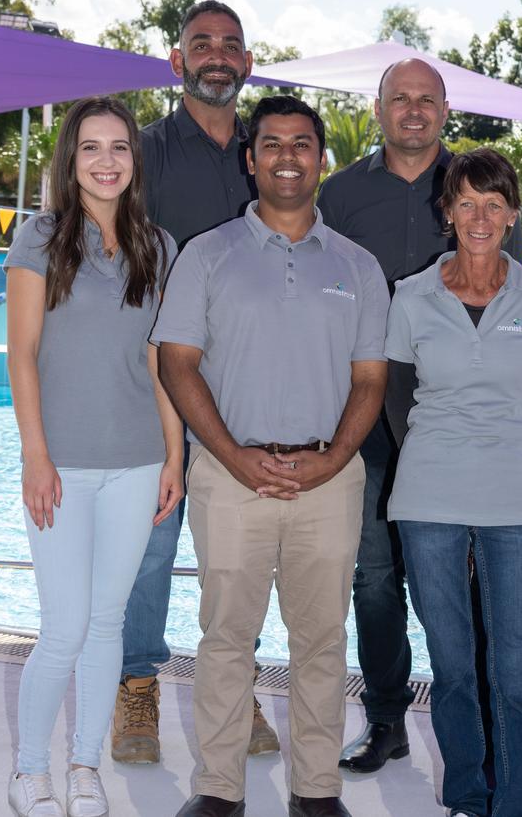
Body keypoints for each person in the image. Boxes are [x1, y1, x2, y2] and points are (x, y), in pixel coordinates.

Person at [152, 95, 390, 817]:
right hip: (230, 478)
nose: (288, 155)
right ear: (250, 159)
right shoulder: (208, 254)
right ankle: (219, 789)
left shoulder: (359, 266)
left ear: (322, 158)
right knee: (226, 637)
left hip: (329, 478)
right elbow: (177, 363)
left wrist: (332, 457)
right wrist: (229, 454)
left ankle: (315, 789)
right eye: (273, 144)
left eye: (303, 143)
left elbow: (370, 379)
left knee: (321, 639)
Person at [316, 58, 522, 773]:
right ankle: (386, 719)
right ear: (379, 109)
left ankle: (483, 724)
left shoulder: (477, 191)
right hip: (368, 423)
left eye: (426, 100)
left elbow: (518, 307)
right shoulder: (339, 195)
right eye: (399, 98)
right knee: (374, 577)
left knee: (470, 575)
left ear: (444, 109)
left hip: (460, 431)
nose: (413, 110)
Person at [5, 96, 183, 817]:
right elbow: (22, 354)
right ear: (70, 160)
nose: (107, 160)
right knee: (65, 625)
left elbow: (159, 359)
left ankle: (83, 765)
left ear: (134, 161)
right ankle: (27, 771)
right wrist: (35, 455)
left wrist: (173, 457)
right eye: (90, 148)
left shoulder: (157, 245)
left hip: (137, 462)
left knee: (107, 622)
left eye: (119, 147)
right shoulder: (40, 238)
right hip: (64, 465)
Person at [113, 0, 278, 765]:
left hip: (244, 391)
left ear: (247, 63)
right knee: (150, 550)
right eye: (201, 44)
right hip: (153, 388)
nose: (218, 55)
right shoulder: (140, 155)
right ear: (177, 62)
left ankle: (233, 688)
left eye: (231, 45)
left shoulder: (271, 156)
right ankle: (136, 687)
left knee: (235, 557)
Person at [384, 148, 522, 817]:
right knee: (454, 663)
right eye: (467, 201)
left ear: (513, 214)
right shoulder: (410, 296)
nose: (481, 216)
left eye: (494, 203)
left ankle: (514, 804)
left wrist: (496, 456)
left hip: (516, 499)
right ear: (448, 210)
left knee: (514, 671)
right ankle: (466, 794)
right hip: (428, 498)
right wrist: (441, 464)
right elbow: (399, 400)